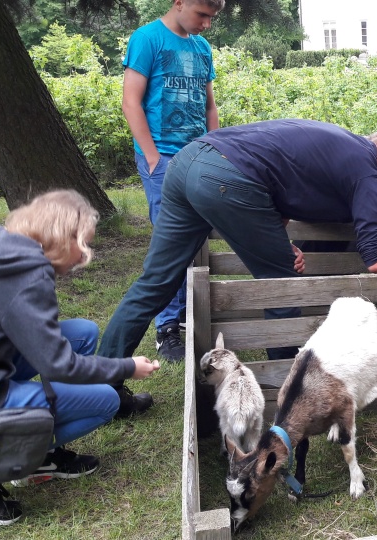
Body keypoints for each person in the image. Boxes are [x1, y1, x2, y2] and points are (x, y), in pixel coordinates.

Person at [97, 119, 377, 365]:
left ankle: (104, 380)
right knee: (282, 285)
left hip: (187, 162)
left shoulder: (345, 147)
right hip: (224, 176)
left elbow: (278, 186)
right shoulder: (367, 172)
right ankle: (287, 384)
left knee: (155, 282)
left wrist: (277, 241)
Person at [0, 190, 161, 526]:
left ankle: (41, 457)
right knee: (105, 400)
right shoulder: (27, 275)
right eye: (83, 243)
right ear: (61, 235)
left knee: (83, 332)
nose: (84, 255)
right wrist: (128, 367)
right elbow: (59, 364)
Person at [121, 0, 224, 362]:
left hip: (198, 155)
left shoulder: (202, 47)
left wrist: (217, 148)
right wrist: (152, 158)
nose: (207, 24)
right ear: (179, 3)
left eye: (213, 17)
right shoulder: (147, 39)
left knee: (196, 234)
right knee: (170, 244)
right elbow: (131, 102)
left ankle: (190, 315)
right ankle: (167, 328)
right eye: (202, 15)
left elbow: (209, 106)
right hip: (162, 156)